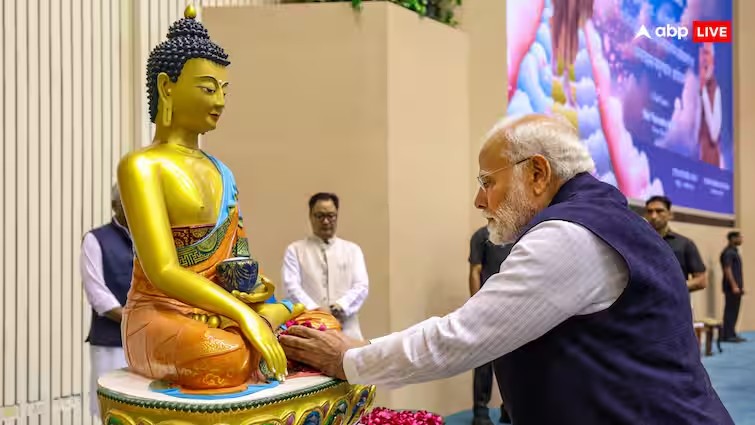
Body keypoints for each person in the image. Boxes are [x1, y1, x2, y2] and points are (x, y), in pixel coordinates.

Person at [279, 114, 733, 425]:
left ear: (537, 173)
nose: (480, 201)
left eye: (487, 182)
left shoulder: (570, 236)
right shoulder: (607, 218)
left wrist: (349, 359)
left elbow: (460, 338)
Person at [115, 6, 337, 391]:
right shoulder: (141, 166)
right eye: (207, 88)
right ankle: (251, 338)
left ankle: (254, 334)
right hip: (162, 313)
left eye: (224, 90)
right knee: (225, 356)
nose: (220, 100)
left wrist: (256, 290)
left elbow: (237, 258)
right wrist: (246, 316)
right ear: (167, 87)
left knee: (321, 325)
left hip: (221, 311)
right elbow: (163, 271)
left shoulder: (221, 170)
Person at [282, 192, 369, 340]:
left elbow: (361, 286)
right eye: (320, 216)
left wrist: (339, 307)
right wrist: (317, 311)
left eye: (331, 215)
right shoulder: (295, 250)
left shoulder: (352, 250)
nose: (326, 221)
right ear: (310, 216)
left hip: (347, 330)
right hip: (310, 328)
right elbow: (291, 287)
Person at [81, 184, 132, 417]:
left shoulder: (150, 240)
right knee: (113, 411)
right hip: (112, 343)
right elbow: (97, 294)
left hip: (149, 346)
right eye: (128, 201)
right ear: (114, 206)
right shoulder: (96, 239)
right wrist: (136, 321)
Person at [468, 227, 512, 425]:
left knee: (515, 360)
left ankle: (509, 407)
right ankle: (480, 410)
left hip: (514, 306)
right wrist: (477, 306)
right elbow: (475, 271)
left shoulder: (522, 235)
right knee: (484, 360)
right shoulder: (481, 236)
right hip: (487, 307)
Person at [645, 195, 707, 292]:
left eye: (659, 211)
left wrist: (673, 288)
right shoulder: (639, 243)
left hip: (676, 304)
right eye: (650, 211)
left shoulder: (685, 244)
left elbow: (701, 280)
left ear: (670, 214)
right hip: (645, 304)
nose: (654, 216)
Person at [697, 42, 723, 168]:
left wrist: (704, 93)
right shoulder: (696, 87)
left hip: (710, 164)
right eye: (702, 53)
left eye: (707, 53)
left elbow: (714, 134)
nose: (704, 58)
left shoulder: (715, 89)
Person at [721, 231, 745, 342]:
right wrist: (734, 285)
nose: (741, 239)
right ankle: (728, 335)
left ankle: (731, 333)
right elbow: (727, 269)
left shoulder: (734, 252)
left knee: (734, 310)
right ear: (732, 238)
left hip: (736, 287)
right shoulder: (728, 252)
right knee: (730, 310)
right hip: (731, 287)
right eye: (739, 237)